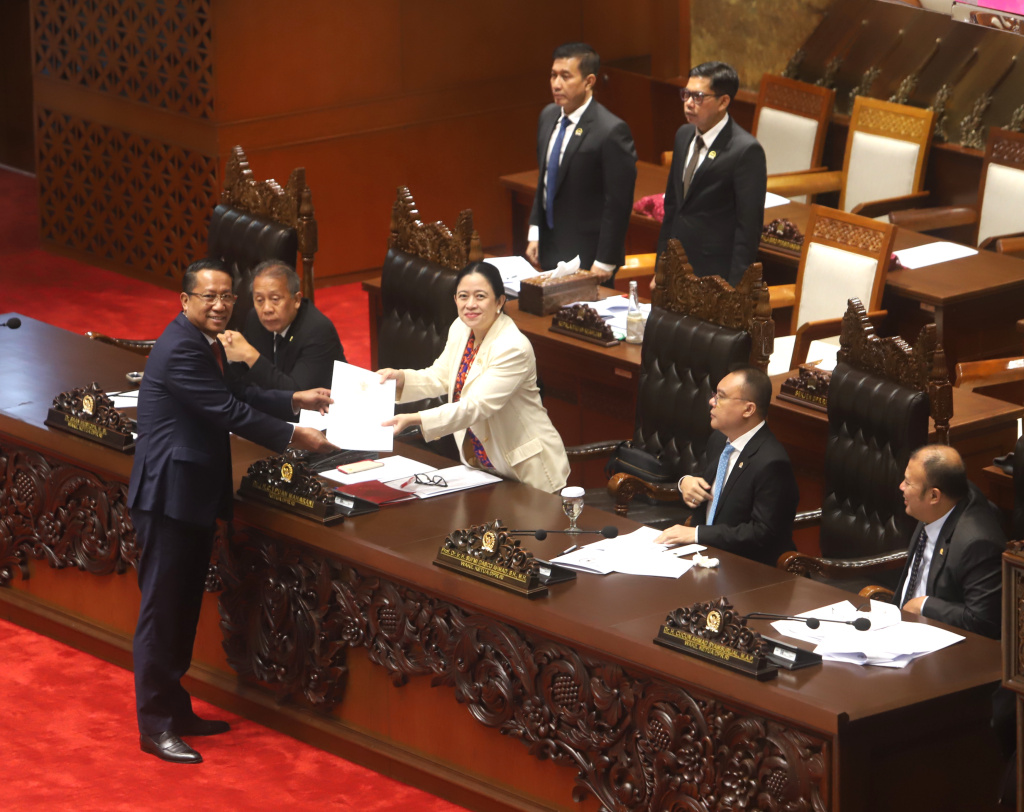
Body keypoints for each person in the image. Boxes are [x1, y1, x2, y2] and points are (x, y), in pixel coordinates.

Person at [129, 259, 335, 765]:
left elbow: (238, 392)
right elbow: (228, 412)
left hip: (193, 495)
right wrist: (294, 436)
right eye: (209, 297)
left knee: (180, 610)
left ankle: (176, 711)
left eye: (226, 296)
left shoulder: (206, 342)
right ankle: (155, 726)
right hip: (169, 500)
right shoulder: (180, 348)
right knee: (162, 613)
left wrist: (293, 398)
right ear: (185, 301)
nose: (221, 305)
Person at [378, 261, 570, 493]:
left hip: (528, 468)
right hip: (482, 465)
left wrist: (415, 418)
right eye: (463, 296)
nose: (470, 304)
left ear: (499, 301)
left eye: (480, 296)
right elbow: (442, 376)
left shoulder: (512, 347)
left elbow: (475, 407)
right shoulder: (461, 327)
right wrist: (401, 379)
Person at [654, 367, 799, 566]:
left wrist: (697, 534)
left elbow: (763, 532)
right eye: (715, 394)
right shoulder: (720, 439)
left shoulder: (771, 462)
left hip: (747, 568)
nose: (711, 401)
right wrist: (685, 483)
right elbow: (716, 484)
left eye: (721, 397)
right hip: (704, 556)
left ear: (748, 409)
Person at [525, 42, 637, 276]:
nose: (556, 84)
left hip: (588, 255)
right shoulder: (548, 116)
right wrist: (535, 231)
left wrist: (605, 261)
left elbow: (618, 204)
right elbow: (545, 179)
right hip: (550, 245)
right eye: (553, 75)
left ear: (589, 81)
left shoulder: (611, 130)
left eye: (566, 77)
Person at [657, 61, 767, 286]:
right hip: (674, 271)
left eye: (697, 97)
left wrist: (734, 289)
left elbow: (748, 229)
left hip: (714, 277)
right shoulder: (683, 135)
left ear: (723, 101)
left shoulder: (745, 150)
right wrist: (661, 267)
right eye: (686, 94)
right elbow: (673, 209)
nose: (688, 103)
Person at [894, 444, 1004, 639]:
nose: (901, 487)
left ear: (934, 496)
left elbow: (984, 621)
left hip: (943, 647)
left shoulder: (977, 543)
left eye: (908, 483)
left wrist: (925, 605)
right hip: (901, 629)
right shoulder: (936, 508)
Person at [219, 260, 345, 391]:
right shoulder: (255, 319)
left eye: (275, 299)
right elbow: (244, 373)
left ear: (296, 300)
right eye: (259, 300)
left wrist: (251, 356)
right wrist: (228, 352)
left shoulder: (318, 331)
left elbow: (296, 397)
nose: (267, 309)